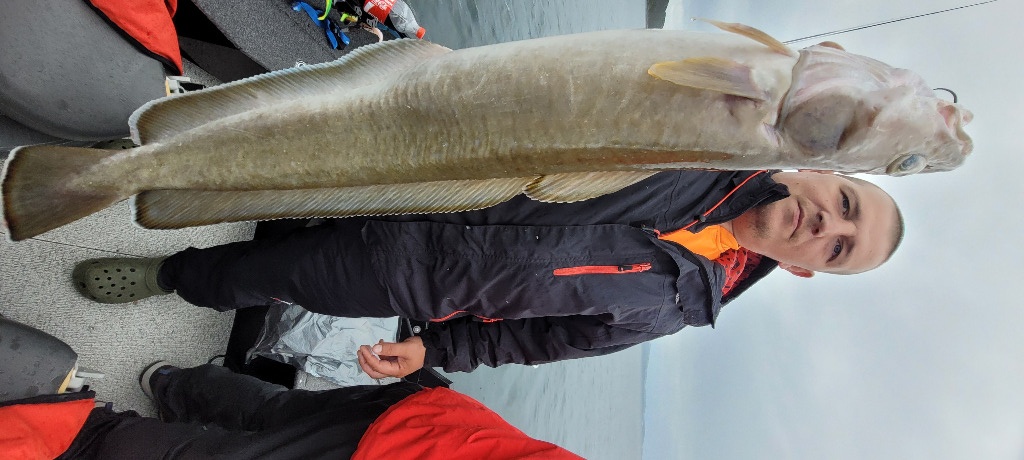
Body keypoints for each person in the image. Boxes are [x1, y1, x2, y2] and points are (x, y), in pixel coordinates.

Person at [72, 169, 903, 378]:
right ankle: (165, 180)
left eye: (839, 246)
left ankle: (171, 275)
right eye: (844, 204)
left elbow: (538, 344)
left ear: (807, 272)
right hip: (435, 178)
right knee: (283, 189)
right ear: (821, 170)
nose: (825, 224)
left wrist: (435, 351)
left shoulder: (672, 309)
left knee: (268, 274)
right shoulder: (708, 146)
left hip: (410, 279)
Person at [2, 361, 582, 459]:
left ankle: (175, 382)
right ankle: (80, 435)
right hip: (401, 445)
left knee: (279, 413)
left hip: (437, 418)